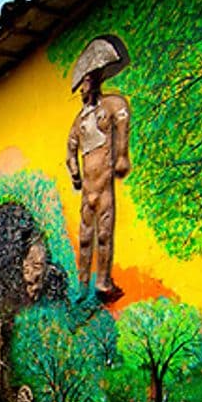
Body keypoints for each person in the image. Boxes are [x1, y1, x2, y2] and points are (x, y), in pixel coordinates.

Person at [67, 34, 131, 303]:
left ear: (91, 81)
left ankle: (103, 281)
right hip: (88, 190)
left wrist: (122, 155)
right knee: (84, 238)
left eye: (84, 83)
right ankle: (82, 284)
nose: (81, 89)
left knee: (103, 235)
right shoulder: (80, 120)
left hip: (104, 185)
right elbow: (70, 148)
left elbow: (122, 119)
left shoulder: (111, 105)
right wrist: (74, 172)